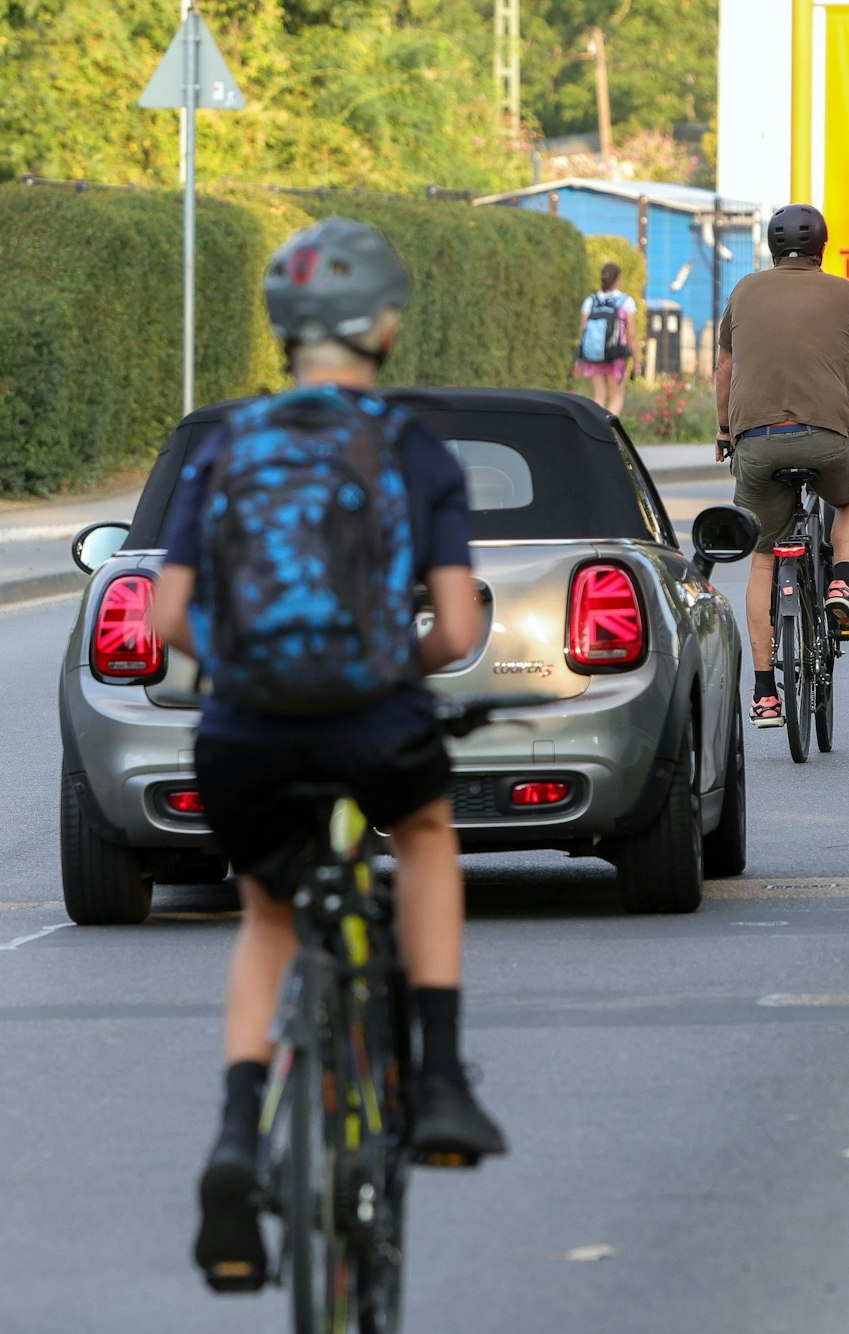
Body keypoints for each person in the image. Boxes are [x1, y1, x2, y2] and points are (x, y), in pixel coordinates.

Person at [148, 217, 502, 1295]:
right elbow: (455, 626)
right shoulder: (414, 448)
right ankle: (438, 1079)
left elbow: (166, 616)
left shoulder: (222, 445)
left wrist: (243, 674)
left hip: (244, 730)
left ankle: (234, 1140)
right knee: (426, 831)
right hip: (374, 717)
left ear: (282, 330)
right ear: (384, 327)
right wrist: (397, 665)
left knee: (268, 912)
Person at [713, 202, 849, 728]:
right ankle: (842, 580)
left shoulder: (744, 291)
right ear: (822, 247)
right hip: (825, 438)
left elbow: (725, 366)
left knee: (763, 559)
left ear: (772, 248)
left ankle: (764, 693)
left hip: (757, 444)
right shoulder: (844, 293)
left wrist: (725, 430)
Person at [572, 262, 638, 416]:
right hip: (616, 355)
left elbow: (583, 331)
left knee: (599, 396)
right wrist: (636, 361)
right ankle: (608, 428)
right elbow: (631, 334)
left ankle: (595, 427)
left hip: (593, 355)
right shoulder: (626, 302)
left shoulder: (591, 301)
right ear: (618, 279)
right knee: (616, 397)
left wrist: (579, 359)